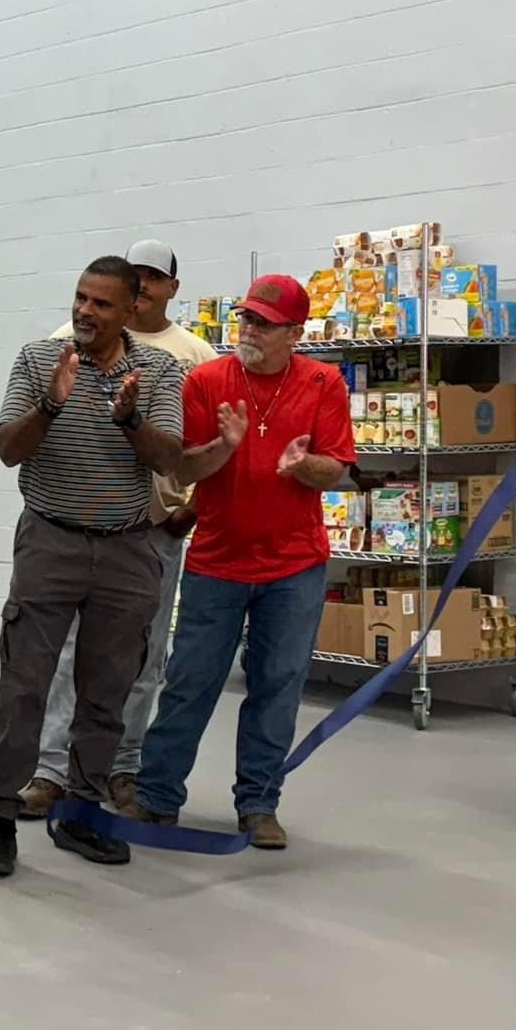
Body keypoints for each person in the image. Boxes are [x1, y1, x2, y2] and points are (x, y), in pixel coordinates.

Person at [120, 275, 354, 849]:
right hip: (216, 562)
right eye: (246, 318)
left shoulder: (323, 383)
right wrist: (225, 447)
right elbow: (183, 469)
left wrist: (303, 466)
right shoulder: (206, 380)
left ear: (295, 333)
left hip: (294, 567)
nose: (248, 330)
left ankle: (259, 805)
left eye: (264, 324)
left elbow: (337, 468)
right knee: (190, 681)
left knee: (278, 686)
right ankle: (157, 795)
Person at [0, 256, 185, 878]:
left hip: (127, 549)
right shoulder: (40, 358)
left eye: (101, 303)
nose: (85, 311)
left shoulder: (159, 370)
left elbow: (169, 458)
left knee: (107, 689)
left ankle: (83, 812)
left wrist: (130, 418)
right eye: (81, 298)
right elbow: (8, 449)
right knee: (24, 685)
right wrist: (50, 403)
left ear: (132, 309)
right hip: (50, 541)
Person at [24, 239, 218, 817]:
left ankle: (121, 767)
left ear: (170, 289)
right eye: (137, 276)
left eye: (155, 278)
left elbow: (208, 447)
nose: (145, 287)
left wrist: (192, 507)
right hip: (80, 529)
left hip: (157, 529)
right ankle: (52, 769)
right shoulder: (67, 341)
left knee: (143, 656)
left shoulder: (195, 356)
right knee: (69, 654)